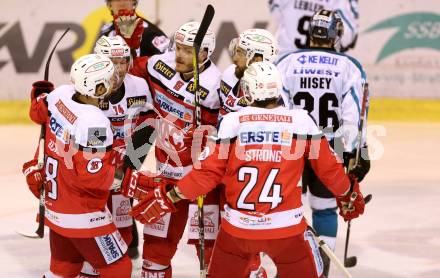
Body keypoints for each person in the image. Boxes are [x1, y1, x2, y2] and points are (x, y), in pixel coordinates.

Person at [125, 61, 366, 278]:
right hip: (287, 231)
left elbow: (207, 174)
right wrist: (348, 195)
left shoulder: (232, 122)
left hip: (237, 232)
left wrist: (171, 195)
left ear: (248, 91)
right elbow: (329, 171)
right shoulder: (301, 121)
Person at [121, 21, 222, 277]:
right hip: (166, 179)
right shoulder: (158, 65)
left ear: (204, 53)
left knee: (212, 254)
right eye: (178, 47)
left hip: (203, 183)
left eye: (188, 50)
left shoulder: (215, 87)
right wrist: (129, 47)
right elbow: (126, 74)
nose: (179, 54)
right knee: (155, 254)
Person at [276, 9, 370, 277]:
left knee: (286, 208)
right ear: (335, 34)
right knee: (325, 207)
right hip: (328, 150)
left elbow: (278, 108)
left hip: (291, 148)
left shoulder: (287, 61)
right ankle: (321, 268)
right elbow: (355, 114)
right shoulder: (350, 66)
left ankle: (289, 266)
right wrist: (356, 152)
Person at [22, 54, 132, 277]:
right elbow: (94, 177)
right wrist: (128, 178)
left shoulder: (60, 95)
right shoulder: (94, 122)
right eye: (109, 80)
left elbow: (36, 113)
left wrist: (38, 94)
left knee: (64, 268)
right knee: (119, 268)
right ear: (98, 88)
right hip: (84, 215)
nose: (115, 82)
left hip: (56, 209)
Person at [268, 0, 359, 56]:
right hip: (324, 64)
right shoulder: (341, 2)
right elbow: (348, 38)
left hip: (285, 58)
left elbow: (276, 14)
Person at [102, 0, 170, 57]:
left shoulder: (150, 32)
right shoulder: (105, 31)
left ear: (134, 2)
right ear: (109, 4)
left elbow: (170, 61)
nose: (122, 3)